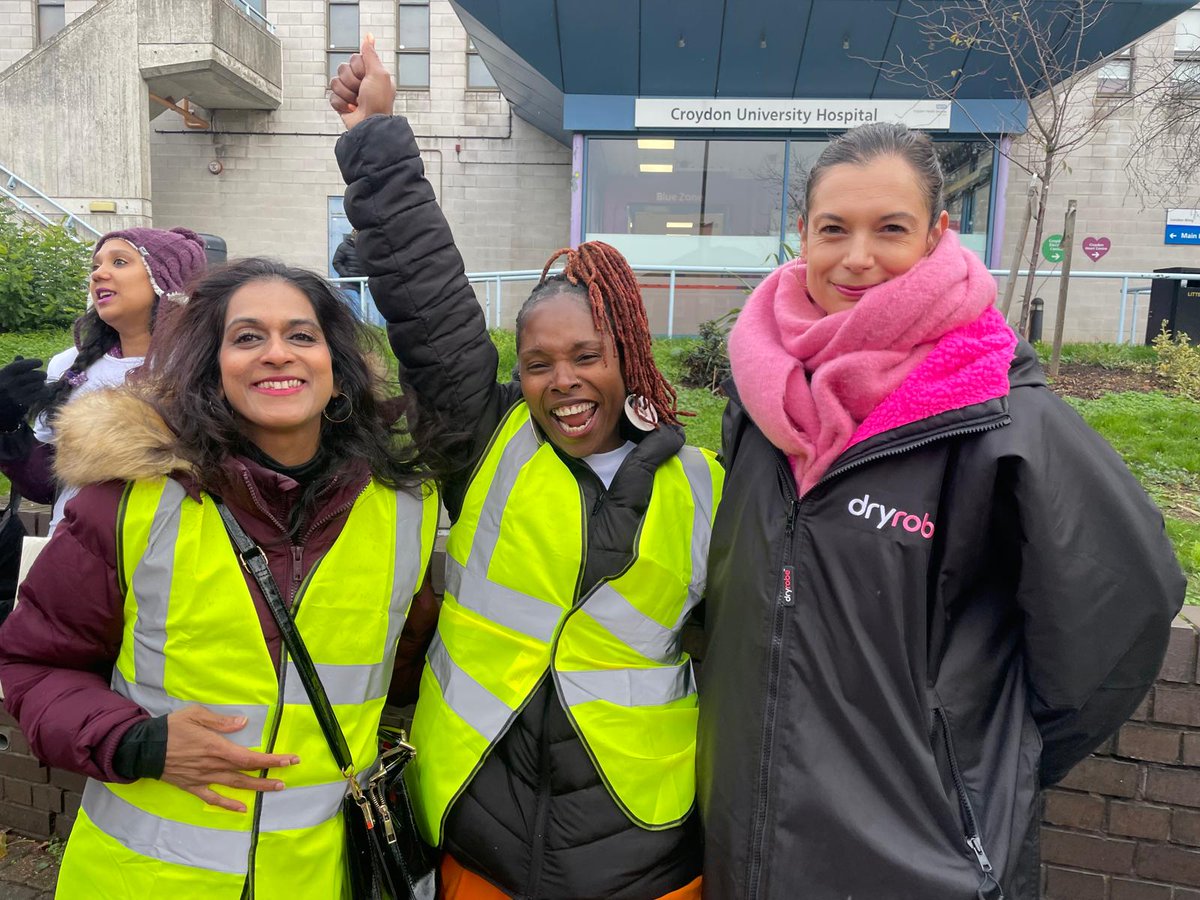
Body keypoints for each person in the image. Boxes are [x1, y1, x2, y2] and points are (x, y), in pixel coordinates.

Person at [697, 122, 1187, 899]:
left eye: (890, 228)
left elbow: (1126, 608)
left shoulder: (1002, 420)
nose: (858, 257)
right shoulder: (761, 399)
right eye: (834, 229)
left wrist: (980, 781)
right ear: (803, 235)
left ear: (936, 235)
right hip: (749, 844)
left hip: (920, 867)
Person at [329, 36, 724, 900]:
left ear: (631, 356)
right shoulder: (489, 438)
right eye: (540, 362)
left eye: (588, 356)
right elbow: (427, 301)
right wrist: (376, 138)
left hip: (645, 853)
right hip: (480, 831)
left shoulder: (706, 487)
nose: (563, 382)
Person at [0, 258, 441, 897]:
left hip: (323, 880)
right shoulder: (126, 502)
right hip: (139, 880)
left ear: (337, 369)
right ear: (211, 369)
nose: (276, 354)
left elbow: (400, 671)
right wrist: (135, 742)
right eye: (246, 337)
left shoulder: (407, 510)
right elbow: (35, 666)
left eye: (301, 335)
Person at [0, 226, 208, 533]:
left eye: (119, 262)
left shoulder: (203, 367)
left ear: (167, 280)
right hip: (71, 550)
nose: (98, 274)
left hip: (169, 556)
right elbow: (45, 486)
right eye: (96, 265)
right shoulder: (68, 365)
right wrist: (9, 425)